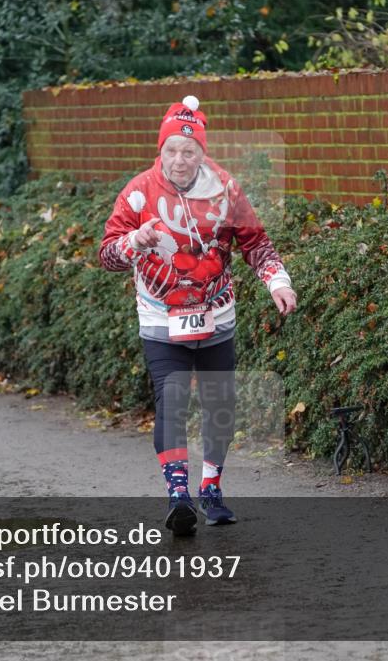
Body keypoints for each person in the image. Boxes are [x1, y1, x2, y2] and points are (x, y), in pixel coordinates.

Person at [99, 96, 297, 535]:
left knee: (219, 406)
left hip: (216, 315)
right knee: (170, 403)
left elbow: (255, 242)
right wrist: (135, 241)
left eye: (189, 151)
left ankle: (210, 488)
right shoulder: (138, 191)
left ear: (201, 153)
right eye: (171, 150)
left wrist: (277, 281)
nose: (179, 159)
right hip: (159, 318)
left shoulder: (226, 189)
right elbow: (108, 256)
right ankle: (178, 497)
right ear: (160, 150)